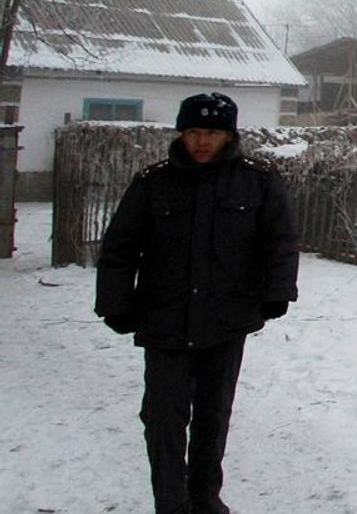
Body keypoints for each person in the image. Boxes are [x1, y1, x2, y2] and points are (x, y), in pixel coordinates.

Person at [95, 92, 300, 514]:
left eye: (211, 133)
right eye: (192, 132)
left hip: (226, 320)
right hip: (164, 320)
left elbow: (279, 241)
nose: (201, 142)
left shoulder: (257, 180)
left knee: (212, 419)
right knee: (163, 421)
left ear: (228, 136)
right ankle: (171, 505)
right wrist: (115, 302)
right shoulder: (153, 183)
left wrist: (278, 290)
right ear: (182, 134)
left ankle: (205, 501)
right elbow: (120, 247)